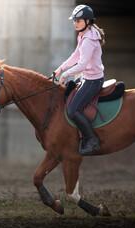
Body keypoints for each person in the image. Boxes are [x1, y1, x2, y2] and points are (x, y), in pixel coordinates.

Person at [54, 5, 106, 155]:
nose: (75, 23)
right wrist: (60, 69)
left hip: (93, 81)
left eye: (78, 20)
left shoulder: (89, 40)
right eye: (74, 21)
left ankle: (92, 139)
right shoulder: (83, 35)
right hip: (87, 77)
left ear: (88, 21)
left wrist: (65, 75)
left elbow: (82, 64)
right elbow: (76, 56)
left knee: (72, 110)